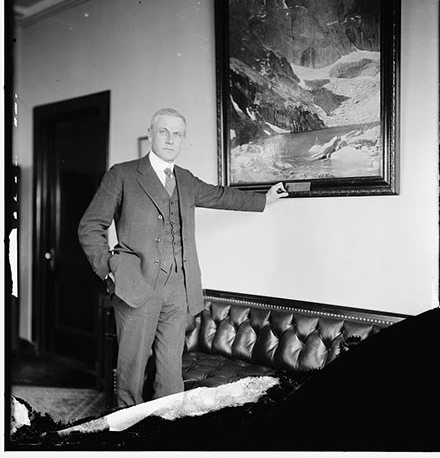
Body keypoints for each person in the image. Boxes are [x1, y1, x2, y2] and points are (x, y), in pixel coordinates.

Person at [78, 108, 288, 408]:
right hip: (135, 286)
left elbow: (221, 196)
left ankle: (165, 436)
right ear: (150, 134)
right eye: (164, 131)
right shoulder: (122, 174)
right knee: (131, 375)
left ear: (183, 140)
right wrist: (109, 267)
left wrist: (264, 200)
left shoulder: (186, 180)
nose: (170, 139)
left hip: (178, 289)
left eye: (177, 134)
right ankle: (126, 442)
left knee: (170, 374)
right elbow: (90, 226)